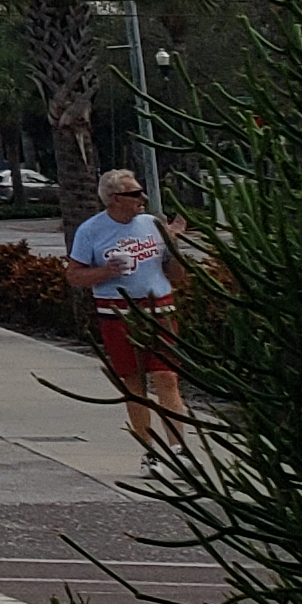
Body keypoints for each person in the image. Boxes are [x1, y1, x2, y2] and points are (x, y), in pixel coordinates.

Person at [63, 170, 187, 450]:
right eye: (134, 194)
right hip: (117, 314)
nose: (142, 199)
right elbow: (73, 276)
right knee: (134, 384)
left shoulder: (153, 224)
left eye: (142, 192)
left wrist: (173, 243)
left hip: (159, 309)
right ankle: (149, 450)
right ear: (114, 199)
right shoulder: (91, 230)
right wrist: (104, 272)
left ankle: (179, 448)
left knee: (166, 378)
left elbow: (178, 275)